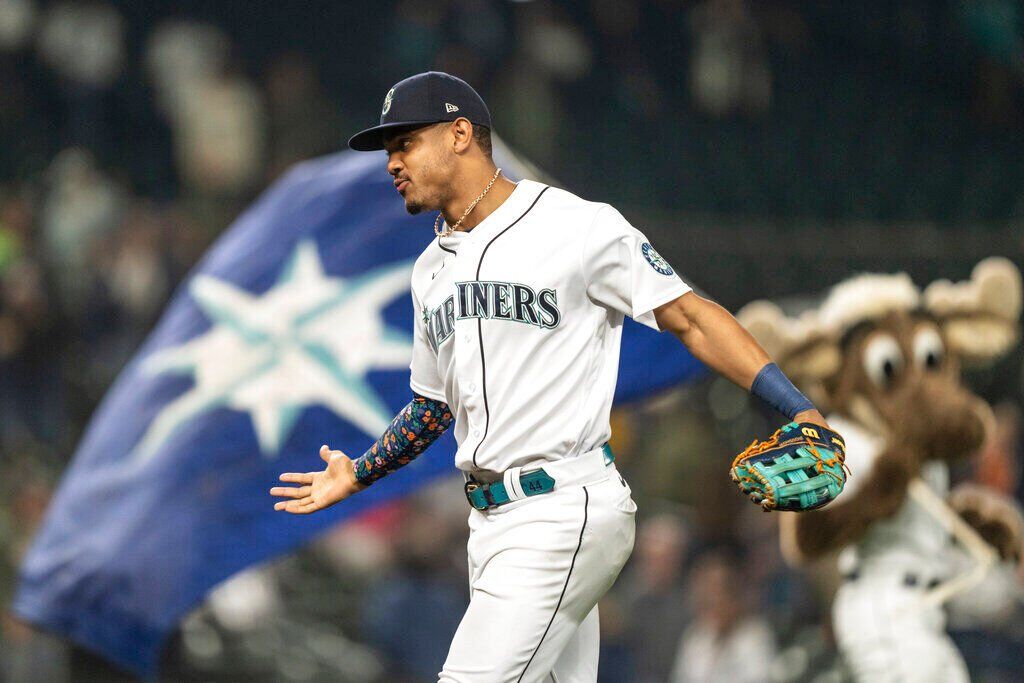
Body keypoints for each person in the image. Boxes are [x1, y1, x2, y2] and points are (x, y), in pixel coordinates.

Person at [270, 71, 831, 683]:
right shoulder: (429, 270)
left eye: (404, 143)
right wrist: (361, 471)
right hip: (490, 527)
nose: (392, 162)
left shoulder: (575, 227)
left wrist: (795, 407)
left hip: (562, 509)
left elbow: (691, 317)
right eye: (389, 150)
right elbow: (433, 407)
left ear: (460, 134)